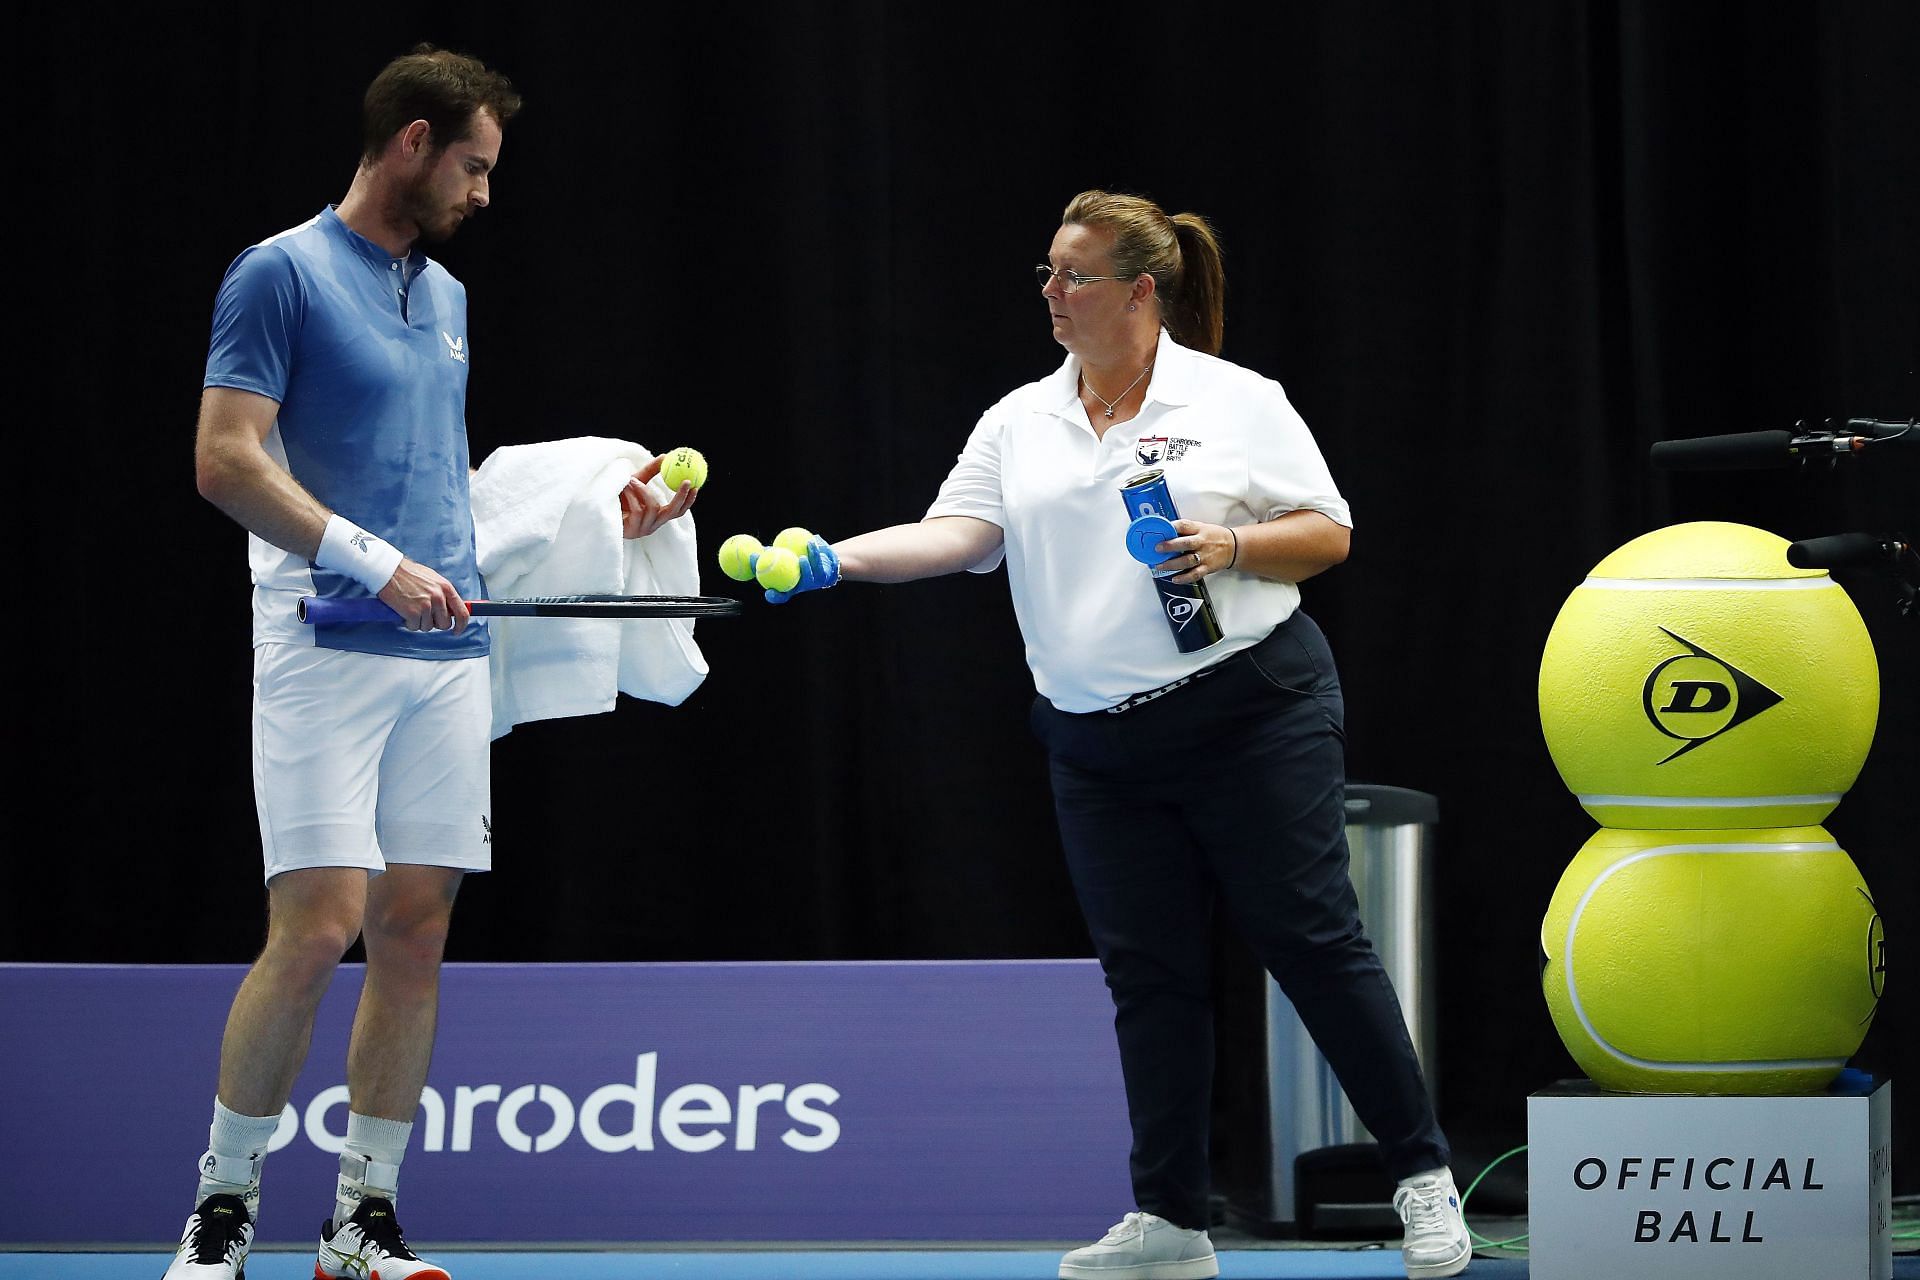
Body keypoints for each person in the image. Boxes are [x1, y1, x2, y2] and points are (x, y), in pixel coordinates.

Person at [760, 190, 1473, 1280]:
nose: (1050, 292)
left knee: (1314, 943)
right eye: (1047, 271)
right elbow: (960, 532)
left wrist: (1228, 546)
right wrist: (837, 558)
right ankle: (1173, 1223)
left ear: (1141, 292)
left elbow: (1327, 532)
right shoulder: (1019, 419)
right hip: (1096, 744)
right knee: (1150, 974)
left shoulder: (1236, 400)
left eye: (1073, 275)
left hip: (1252, 708)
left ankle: (1424, 1181)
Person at [170, 46, 693, 1280]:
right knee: (317, 925)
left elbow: (442, 497)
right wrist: (368, 560)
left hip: (445, 653)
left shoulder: (448, 297)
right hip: (321, 642)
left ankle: (363, 1220)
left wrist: (592, 515)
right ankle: (223, 1203)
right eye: (474, 164)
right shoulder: (279, 273)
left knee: (413, 928)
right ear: (411, 140)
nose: (484, 192)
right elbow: (225, 460)